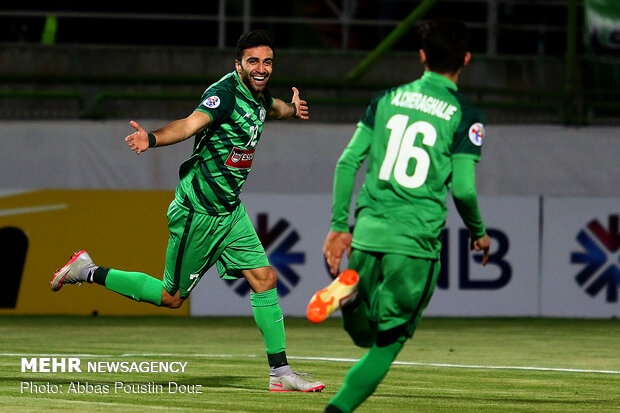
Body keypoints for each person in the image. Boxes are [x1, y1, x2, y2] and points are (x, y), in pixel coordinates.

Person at [50, 29, 324, 393]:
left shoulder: (259, 95)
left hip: (229, 213)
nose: (261, 68)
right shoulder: (223, 94)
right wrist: (152, 137)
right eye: (253, 61)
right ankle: (86, 270)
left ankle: (281, 374)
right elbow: (189, 124)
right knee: (171, 297)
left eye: (268, 61)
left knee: (265, 279)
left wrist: (293, 109)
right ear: (238, 64)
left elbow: (273, 107)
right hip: (198, 212)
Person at [307, 18, 491, 412]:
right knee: (385, 346)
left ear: (422, 56)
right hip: (414, 243)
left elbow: (346, 163)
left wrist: (340, 225)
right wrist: (478, 231)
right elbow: (464, 188)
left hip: (369, 232)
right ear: (467, 59)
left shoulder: (386, 100)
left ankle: (350, 295)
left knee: (362, 336)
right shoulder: (466, 113)